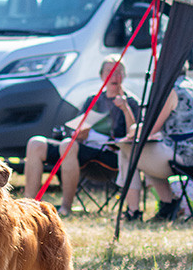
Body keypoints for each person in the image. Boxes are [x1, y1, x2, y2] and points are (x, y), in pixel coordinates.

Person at [24, 55, 139, 217]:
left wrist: (125, 108)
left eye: (118, 72)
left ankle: (65, 207)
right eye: (110, 72)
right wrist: (79, 133)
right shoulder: (93, 100)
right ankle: (29, 205)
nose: (114, 76)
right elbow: (76, 129)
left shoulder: (132, 102)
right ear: (102, 76)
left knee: (67, 145)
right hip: (84, 149)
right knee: (35, 143)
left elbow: (133, 133)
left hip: (111, 155)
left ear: (124, 76)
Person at [116, 71, 193, 222]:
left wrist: (134, 129)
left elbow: (150, 128)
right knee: (146, 154)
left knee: (125, 148)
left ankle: (134, 211)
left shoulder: (172, 90)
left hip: (188, 157)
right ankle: (167, 205)